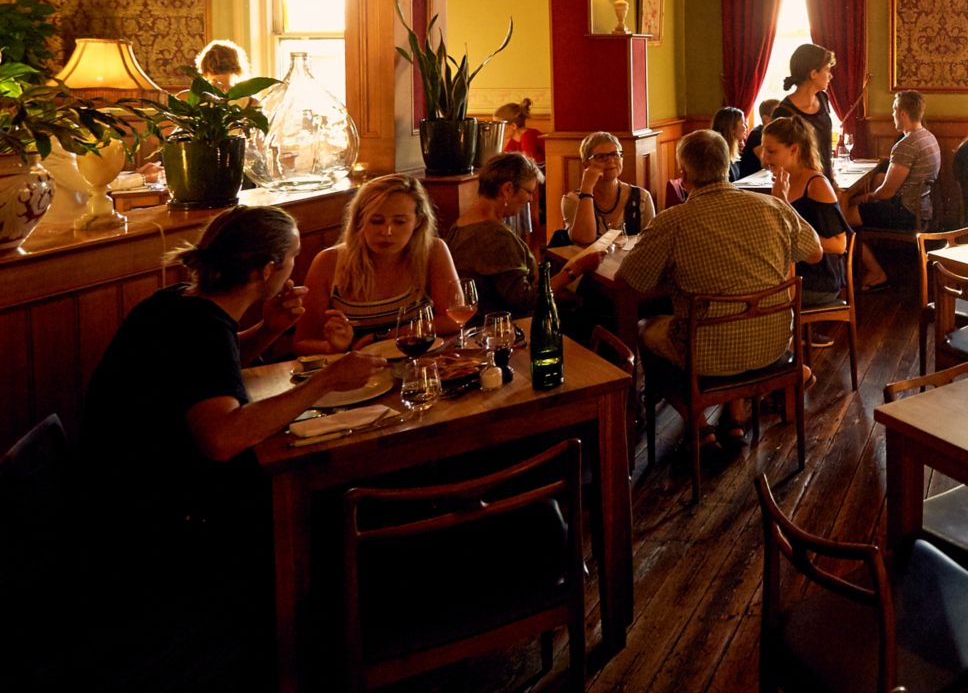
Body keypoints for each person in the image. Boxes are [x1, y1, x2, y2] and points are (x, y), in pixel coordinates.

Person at [77, 207, 381, 691]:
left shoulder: (178, 303)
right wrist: (325, 381)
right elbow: (220, 439)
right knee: (327, 503)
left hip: (107, 487)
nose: (294, 271)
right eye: (292, 260)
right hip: (153, 517)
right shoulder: (198, 328)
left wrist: (270, 329)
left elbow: (208, 372)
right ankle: (305, 658)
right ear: (266, 270)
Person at [619, 130, 822, 437]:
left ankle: (697, 424)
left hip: (707, 354)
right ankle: (734, 416)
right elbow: (816, 252)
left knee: (646, 327)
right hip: (774, 342)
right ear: (728, 166)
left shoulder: (673, 221)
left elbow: (629, 281)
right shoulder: (772, 208)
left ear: (684, 175)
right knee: (735, 312)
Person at [292, 174, 463, 354]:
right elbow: (302, 343)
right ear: (360, 220)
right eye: (377, 221)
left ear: (418, 222)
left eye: (399, 222)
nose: (387, 231)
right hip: (357, 373)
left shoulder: (432, 251)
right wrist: (334, 347)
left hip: (421, 365)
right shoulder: (329, 262)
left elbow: (453, 319)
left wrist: (386, 336)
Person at [450, 152, 603, 315]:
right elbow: (526, 301)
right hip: (504, 328)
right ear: (507, 189)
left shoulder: (459, 226)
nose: (530, 199)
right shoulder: (496, 236)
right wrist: (575, 269)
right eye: (529, 191)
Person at [844, 89, 940, 291]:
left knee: (841, 217)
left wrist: (864, 197)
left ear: (903, 113)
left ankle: (876, 272)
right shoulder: (929, 137)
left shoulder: (906, 144)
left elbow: (886, 193)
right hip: (922, 210)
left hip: (906, 213)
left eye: (894, 110)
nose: (892, 115)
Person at [759, 116, 849, 306]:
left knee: (758, 296)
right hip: (789, 272)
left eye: (771, 151)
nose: (764, 158)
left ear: (794, 150)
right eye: (763, 150)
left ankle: (791, 334)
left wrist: (783, 205)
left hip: (817, 280)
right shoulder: (782, 180)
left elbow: (839, 244)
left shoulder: (816, 184)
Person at [559, 131, 654, 247]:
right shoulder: (572, 200)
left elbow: (652, 243)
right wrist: (587, 188)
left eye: (615, 154)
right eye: (601, 157)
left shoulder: (642, 197)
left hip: (633, 264)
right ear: (586, 165)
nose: (610, 160)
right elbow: (584, 239)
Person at [773, 43, 837, 180]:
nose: (830, 76)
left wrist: (832, 181)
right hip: (799, 186)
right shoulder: (783, 112)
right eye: (827, 70)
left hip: (825, 181)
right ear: (814, 73)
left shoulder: (823, 98)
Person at [735, 98, 779, 179]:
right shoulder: (756, 134)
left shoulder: (775, 135)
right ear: (766, 119)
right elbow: (768, 161)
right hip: (748, 181)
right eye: (777, 115)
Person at [711, 106, 749, 181]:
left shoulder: (733, 152)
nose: (746, 127)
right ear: (731, 128)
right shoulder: (718, 157)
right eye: (743, 123)